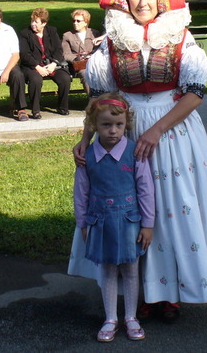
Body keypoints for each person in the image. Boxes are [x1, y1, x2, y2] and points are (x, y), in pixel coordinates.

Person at [68, 0, 207, 323]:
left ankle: (169, 292)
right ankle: (135, 291)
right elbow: (99, 97)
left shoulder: (181, 37)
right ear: (125, 0)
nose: (143, 3)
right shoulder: (112, 42)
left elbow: (195, 93)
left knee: (171, 210)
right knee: (128, 208)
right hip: (123, 130)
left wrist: (156, 130)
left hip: (173, 132)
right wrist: (85, 139)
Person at [71, 92, 155, 342]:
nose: (113, 131)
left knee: (130, 270)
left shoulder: (134, 152)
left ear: (126, 124)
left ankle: (131, 317)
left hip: (130, 223)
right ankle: (110, 319)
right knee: (107, 271)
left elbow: (146, 189)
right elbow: (81, 191)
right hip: (100, 222)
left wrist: (148, 224)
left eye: (119, 124)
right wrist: (82, 222)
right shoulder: (87, 156)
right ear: (94, 125)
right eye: (106, 125)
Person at [18, 8, 72, 118]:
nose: (33, 24)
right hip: (32, 66)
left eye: (36, 22)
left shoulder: (52, 31)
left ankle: (62, 107)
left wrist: (54, 64)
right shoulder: (25, 33)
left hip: (50, 64)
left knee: (65, 79)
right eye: (32, 21)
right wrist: (37, 67)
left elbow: (58, 50)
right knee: (36, 80)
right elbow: (25, 54)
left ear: (44, 23)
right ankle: (35, 110)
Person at [61, 9, 102, 96]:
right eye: (74, 21)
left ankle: (105, 98)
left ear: (86, 22)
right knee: (86, 73)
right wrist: (77, 58)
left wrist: (92, 56)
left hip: (95, 63)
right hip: (79, 65)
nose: (75, 23)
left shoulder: (94, 33)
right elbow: (66, 54)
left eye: (78, 21)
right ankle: (93, 98)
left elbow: (99, 49)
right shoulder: (67, 36)